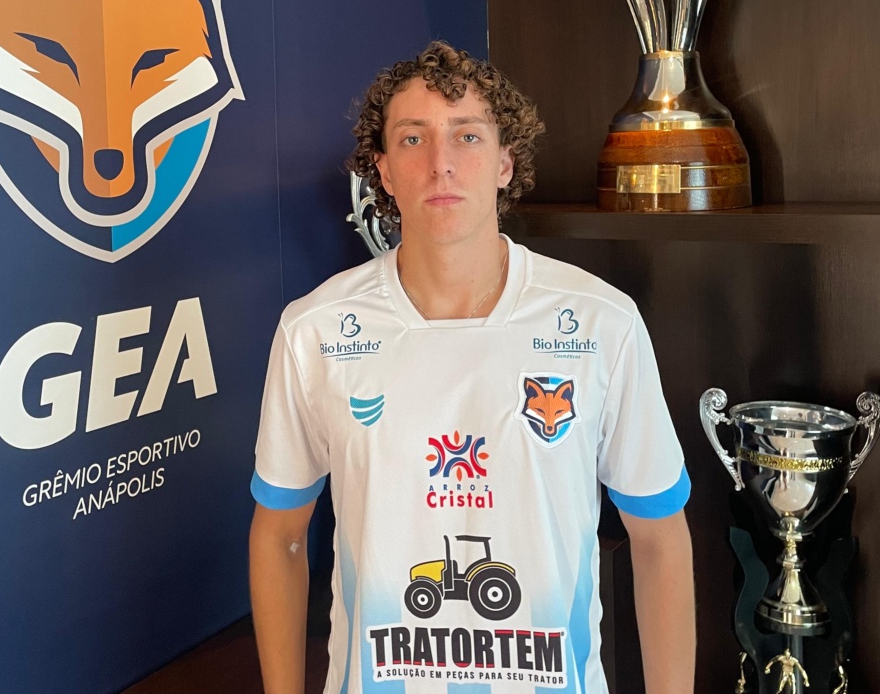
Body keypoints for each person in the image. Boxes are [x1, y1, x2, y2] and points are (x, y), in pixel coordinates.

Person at [249, 42, 695, 694]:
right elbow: (281, 536)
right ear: (383, 171)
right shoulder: (314, 331)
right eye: (413, 138)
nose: (441, 163)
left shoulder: (603, 324)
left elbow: (658, 539)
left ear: (505, 161)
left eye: (467, 135)